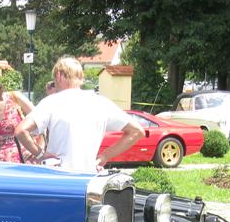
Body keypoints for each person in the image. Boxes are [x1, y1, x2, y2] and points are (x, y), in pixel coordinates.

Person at [14, 57, 143, 172]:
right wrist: (105, 156)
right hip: (88, 177)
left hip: (57, 175)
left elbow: (21, 130)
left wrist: (40, 154)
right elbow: (137, 131)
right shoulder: (101, 103)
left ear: (58, 75)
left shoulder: (51, 102)